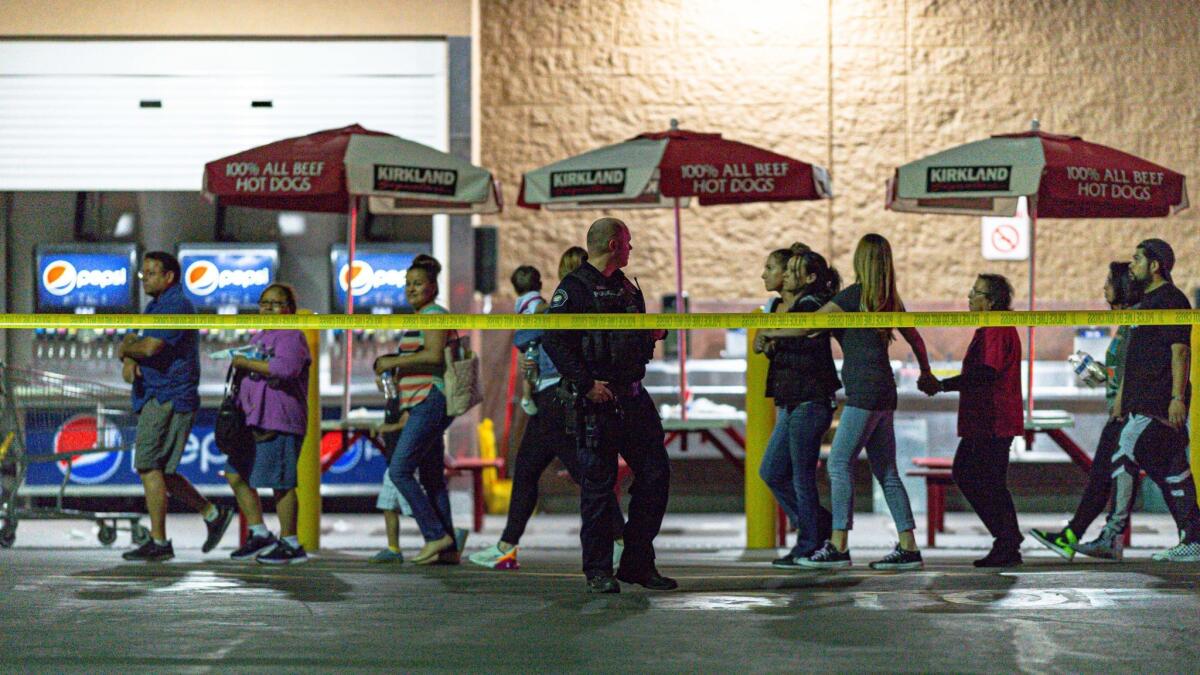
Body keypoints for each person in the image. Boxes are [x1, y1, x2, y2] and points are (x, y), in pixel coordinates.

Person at [760, 233, 937, 570]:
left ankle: (838, 544)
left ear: (860, 262)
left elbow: (807, 327)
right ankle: (908, 546)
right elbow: (916, 338)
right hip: (886, 390)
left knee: (838, 463)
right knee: (886, 471)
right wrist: (925, 372)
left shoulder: (852, 296)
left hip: (863, 392)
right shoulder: (889, 299)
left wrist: (770, 331)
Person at [469, 249, 626, 570]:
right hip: (551, 398)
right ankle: (506, 546)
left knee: (585, 475)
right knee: (526, 469)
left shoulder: (559, 306)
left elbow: (549, 346)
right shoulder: (566, 305)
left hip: (557, 398)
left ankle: (624, 541)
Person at [543, 217, 675, 593]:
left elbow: (625, 331)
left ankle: (636, 562)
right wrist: (585, 385)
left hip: (632, 395)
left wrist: (650, 331)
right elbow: (554, 340)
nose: (632, 248)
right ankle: (598, 570)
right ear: (614, 244)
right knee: (599, 487)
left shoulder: (626, 288)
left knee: (655, 474)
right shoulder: (575, 288)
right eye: (628, 242)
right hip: (596, 401)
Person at [118, 251, 233, 561]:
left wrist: (129, 349)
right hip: (156, 395)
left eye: (152, 273)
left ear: (169, 276)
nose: (145, 279)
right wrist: (131, 351)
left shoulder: (176, 305)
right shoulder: (154, 307)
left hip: (168, 396)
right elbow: (132, 359)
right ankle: (212, 514)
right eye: (143, 274)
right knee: (163, 472)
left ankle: (159, 541)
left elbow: (149, 347)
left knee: (147, 465)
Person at [1030, 262, 1142, 561]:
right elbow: (1121, 370)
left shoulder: (1135, 322)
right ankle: (1076, 536)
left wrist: (1119, 399)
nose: (1104, 287)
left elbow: (1133, 369)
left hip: (1127, 414)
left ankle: (1099, 537)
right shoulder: (1125, 324)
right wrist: (1098, 372)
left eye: (1108, 281)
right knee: (1102, 477)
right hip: (1121, 410)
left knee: (1113, 476)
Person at [1102, 239, 1200, 561]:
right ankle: (1193, 538)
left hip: (1158, 401)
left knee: (1129, 451)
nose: (1131, 265)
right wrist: (1121, 398)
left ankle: (1111, 536)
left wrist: (1177, 397)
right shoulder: (1147, 301)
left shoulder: (1171, 300)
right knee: (1173, 466)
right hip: (1141, 400)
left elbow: (1180, 351)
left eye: (1137, 259)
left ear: (1155, 265)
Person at [373, 254, 466, 565]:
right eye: (407, 284)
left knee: (399, 470)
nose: (411, 289)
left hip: (430, 400)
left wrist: (392, 361)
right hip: (420, 402)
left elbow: (434, 356)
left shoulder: (434, 314)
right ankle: (449, 548)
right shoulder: (421, 316)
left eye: (418, 283)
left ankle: (434, 535)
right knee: (432, 478)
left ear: (433, 286)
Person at [929, 274, 1024, 567]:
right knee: (984, 478)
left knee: (976, 476)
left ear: (991, 301)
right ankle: (1007, 540)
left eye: (976, 292)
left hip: (992, 419)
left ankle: (1007, 539)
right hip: (986, 418)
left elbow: (986, 372)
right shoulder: (991, 328)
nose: (969, 297)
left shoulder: (996, 327)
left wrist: (944, 384)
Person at [755, 248, 840, 567]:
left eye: (790, 271)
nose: (782, 275)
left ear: (808, 277)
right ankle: (822, 527)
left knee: (802, 476)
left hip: (810, 399)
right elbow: (762, 342)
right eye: (784, 270)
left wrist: (772, 333)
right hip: (789, 399)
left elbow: (803, 330)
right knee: (772, 471)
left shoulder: (812, 304)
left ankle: (809, 542)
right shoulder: (778, 306)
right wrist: (767, 335)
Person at [221, 283, 312, 564]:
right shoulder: (261, 336)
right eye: (264, 303)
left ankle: (291, 543)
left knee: (281, 484)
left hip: (280, 419)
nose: (269, 308)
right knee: (236, 475)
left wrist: (246, 364)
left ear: (290, 309)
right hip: (253, 421)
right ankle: (260, 533)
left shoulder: (291, 335)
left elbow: (287, 369)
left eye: (276, 303)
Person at [512, 265, 546, 417]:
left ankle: (528, 394)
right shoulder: (534, 298)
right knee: (532, 364)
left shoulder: (519, 300)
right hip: (531, 338)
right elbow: (537, 309)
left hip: (522, 337)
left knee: (528, 365)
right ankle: (527, 396)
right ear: (539, 284)